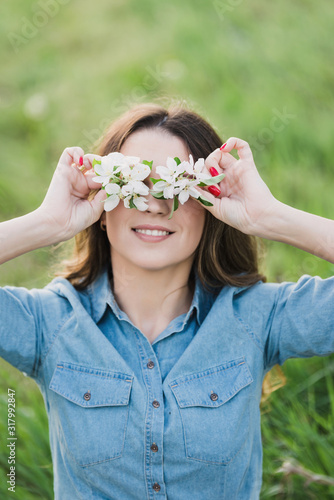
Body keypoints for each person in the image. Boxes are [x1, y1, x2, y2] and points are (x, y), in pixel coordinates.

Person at [0, 102, 333, 500]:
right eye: (133, 184)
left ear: (211, 209)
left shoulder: (258, 316)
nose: (156, 204)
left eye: (179, 186)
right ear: (101, 209)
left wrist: (269, 216)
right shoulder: (49, 322)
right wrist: (46, 223)